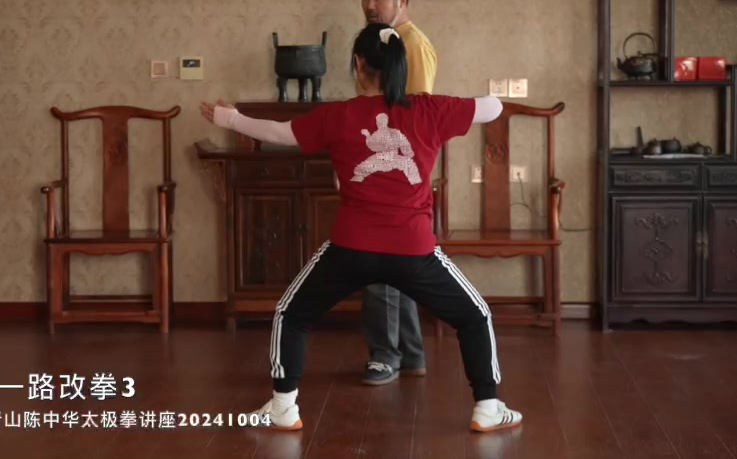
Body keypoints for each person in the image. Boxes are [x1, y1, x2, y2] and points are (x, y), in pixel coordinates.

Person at [198, 22, 522, 433]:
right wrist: (449, 101)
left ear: (358, 63)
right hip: (413, 251)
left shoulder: (339, 115)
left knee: (290, 314)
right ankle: (488, 408)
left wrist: (229, 118)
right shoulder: (431, 109)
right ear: (401, 64)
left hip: (352, 249)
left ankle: (283, 407)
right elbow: (493, 108)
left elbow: (279, 133)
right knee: (475, 316)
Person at [356, 0, 437, 386]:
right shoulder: (379, 41)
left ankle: (386, 356)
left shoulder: (412, 44)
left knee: (378, 265)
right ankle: (410, 354)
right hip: (382, 168)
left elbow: (415, 116)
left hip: (396, 175)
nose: (370, 5)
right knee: (394, 268)